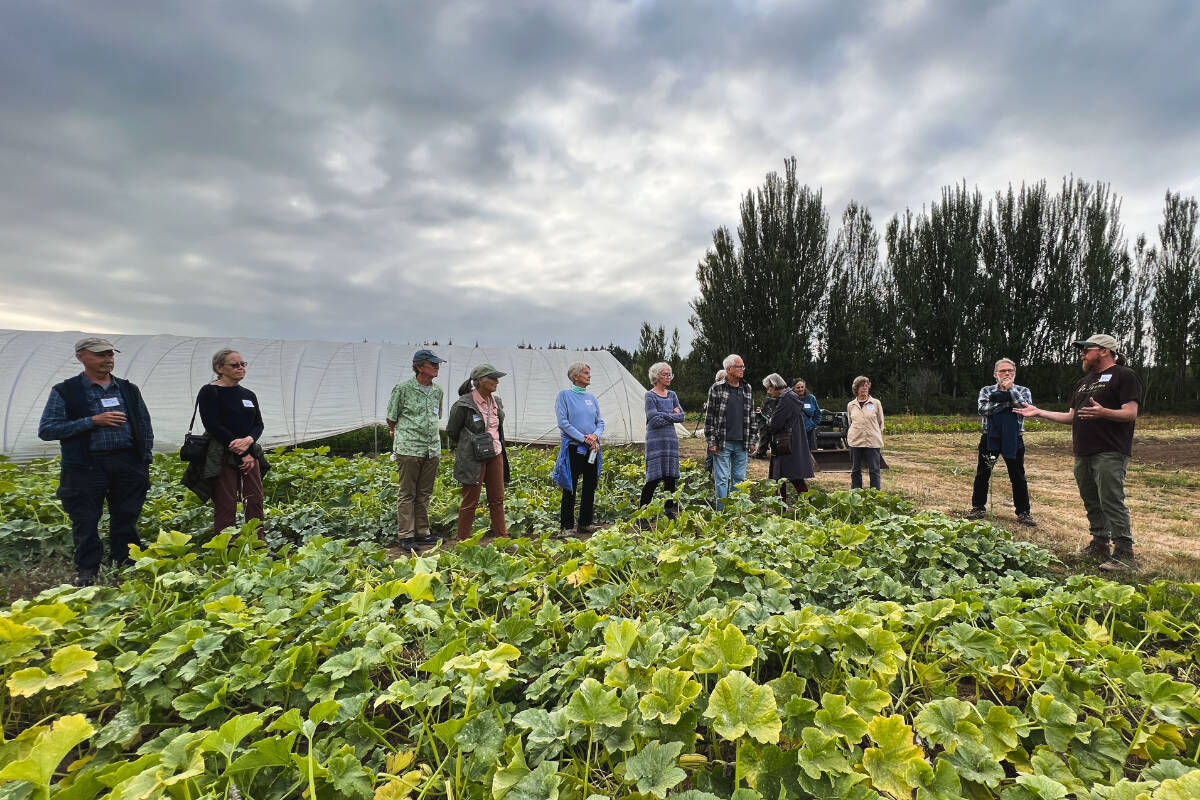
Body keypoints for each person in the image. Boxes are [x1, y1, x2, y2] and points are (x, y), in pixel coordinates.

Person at [1016, 334, 1142, 572]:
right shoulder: (1083, 382)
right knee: (1091, 499)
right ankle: (1100, 543)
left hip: (1110, 450)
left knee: (1111, 499)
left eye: (1086, 349)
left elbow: (1130, 413)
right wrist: (1039, 412)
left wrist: (1104, 413)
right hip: (1083, 451)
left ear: (1104, 350)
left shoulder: (1125, 376)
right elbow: (1072, 416)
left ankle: (1125, 552)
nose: (1082, 353)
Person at [37, 337, 154, 585]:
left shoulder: (128, 389)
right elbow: (48, 429)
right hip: (85, 466)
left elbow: (143, 424)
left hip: (127, 463)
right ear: (81, 357)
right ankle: (88, 569)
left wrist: (144, 459)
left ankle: (126, 561)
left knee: (126, 515)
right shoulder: (65, 391)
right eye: (100, 354)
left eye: (110, 354)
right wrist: (93, 421)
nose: (107, 359)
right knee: (86, 519)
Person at [194, 349, 269, 536]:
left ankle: (257, 544)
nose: (241, 368)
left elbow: (258, 424)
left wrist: (249, 441)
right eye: (235, 365)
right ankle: (227, 547)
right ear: (219, 368)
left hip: (250, 452)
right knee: (226, 502)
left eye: (243, 364)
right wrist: (242, 451)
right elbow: (213, 424)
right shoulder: (210, 392)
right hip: (222, 453)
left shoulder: (248, 394)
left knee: (255, 499)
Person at [387, 349, 445, 548]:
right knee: (408, 493)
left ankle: (423, 532)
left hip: (432, 448)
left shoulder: (438, 391)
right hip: (409, 448)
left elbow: (436, 417)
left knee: (424, 493)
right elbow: (391, 417)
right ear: (420, 367)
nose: (437, 367)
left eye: (437, 364)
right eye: (432, 364)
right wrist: (398, 436)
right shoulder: (403, 388)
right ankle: (406, 535)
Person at [967, 358, 1035, 527]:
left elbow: (1025, 408)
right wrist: (1007, 403)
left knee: (1018, 475)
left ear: (1015, 373)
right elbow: (982, 409)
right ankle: (978, 507)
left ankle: (1023, 512)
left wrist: (1010, 390)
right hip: (990, 436)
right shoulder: (986, 390)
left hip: (1014, 438)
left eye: (1010, 371)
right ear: (995, 374)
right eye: (1003, 371)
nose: (1007, 374)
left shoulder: (1023, 390)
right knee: (983, 473)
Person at [447, 364, 509, 541]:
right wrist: (468, 446)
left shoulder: (496, 402)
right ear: (480, 381)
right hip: (473, 457)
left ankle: (502, 539)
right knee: (470, 500)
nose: (497, 381)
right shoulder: (464, 404)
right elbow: (452, 430)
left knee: (497, 500)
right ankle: (463, 541)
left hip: (495, 453)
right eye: (493, 378)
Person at [553, 362, 606, 534]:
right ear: (575, 376)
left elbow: (600, 422)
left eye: (589, 372)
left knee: (590, 485)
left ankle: (585, 522)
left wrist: (595, 436)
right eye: (585, 373)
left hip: (592, 448)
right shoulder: (564, 396)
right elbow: (563, 423)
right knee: (570, 486)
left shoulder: (592, 398)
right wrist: (583, 438)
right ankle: (566, 527)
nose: (589, 375)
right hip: (574, 448)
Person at [705, 354, 757, 500]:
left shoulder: (747, 388)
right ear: (728, 369)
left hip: (742, 442)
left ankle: (735, 515)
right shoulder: (716, 388)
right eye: (739, 366)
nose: (742, 369)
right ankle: (722, 516)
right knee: (722, 480)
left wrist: (753, 440)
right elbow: (709, 418)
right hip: (723, 442)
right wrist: (711, 442)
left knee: (739, 480)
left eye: (743, 366)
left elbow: (752, 416)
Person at [639, 362, 685, 524]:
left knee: (670, 477)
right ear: (656, 377)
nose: (668, 377)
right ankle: (642, 515)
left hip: (671, 440)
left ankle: (668, 510)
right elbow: (653, 419)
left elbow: (682, 416)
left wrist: (663, 414)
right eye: (665, 375)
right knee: (653, 478)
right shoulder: (649, 395)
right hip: (655, 440)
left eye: (670, 374)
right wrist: (670, 413)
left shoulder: (672, 395)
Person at [763, 373, 814, 502]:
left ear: (775, 386)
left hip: (787, 443)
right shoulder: (790, 396)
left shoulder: (787, 399)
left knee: (783, 476)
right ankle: (806, 506)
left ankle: (786, 508)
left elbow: (775, 423)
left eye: (769, 388)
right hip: (792, 442)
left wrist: (768, 421)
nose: (768, 391)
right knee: (792, 477)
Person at [846, 376, 884, 490]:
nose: (865, 387)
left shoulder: (876, 403)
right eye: (862, 385)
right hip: (855, 441)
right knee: (855, 470)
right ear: (856, 388)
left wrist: (876, 434)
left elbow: (880, 422)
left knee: (874, 470)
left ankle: (875, 494)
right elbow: (850, 422)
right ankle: (856, 493)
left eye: (867, 385)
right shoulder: (851, 405)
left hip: (872, 441)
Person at [751, 375, 781, 459]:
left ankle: (761, 451)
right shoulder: (773, 400)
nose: (768, 391)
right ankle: (761, 451)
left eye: (768, 388)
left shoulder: (784, 399)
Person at [792, 378, 822, 453]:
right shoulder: (790, 399)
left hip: (809, 432)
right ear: (793, 388)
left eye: (802, 387)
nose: (800, 389)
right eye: (798, 387)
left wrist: (813, 424)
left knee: (811, 453)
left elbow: (818, 414)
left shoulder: (811, 398)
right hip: (795, 432)